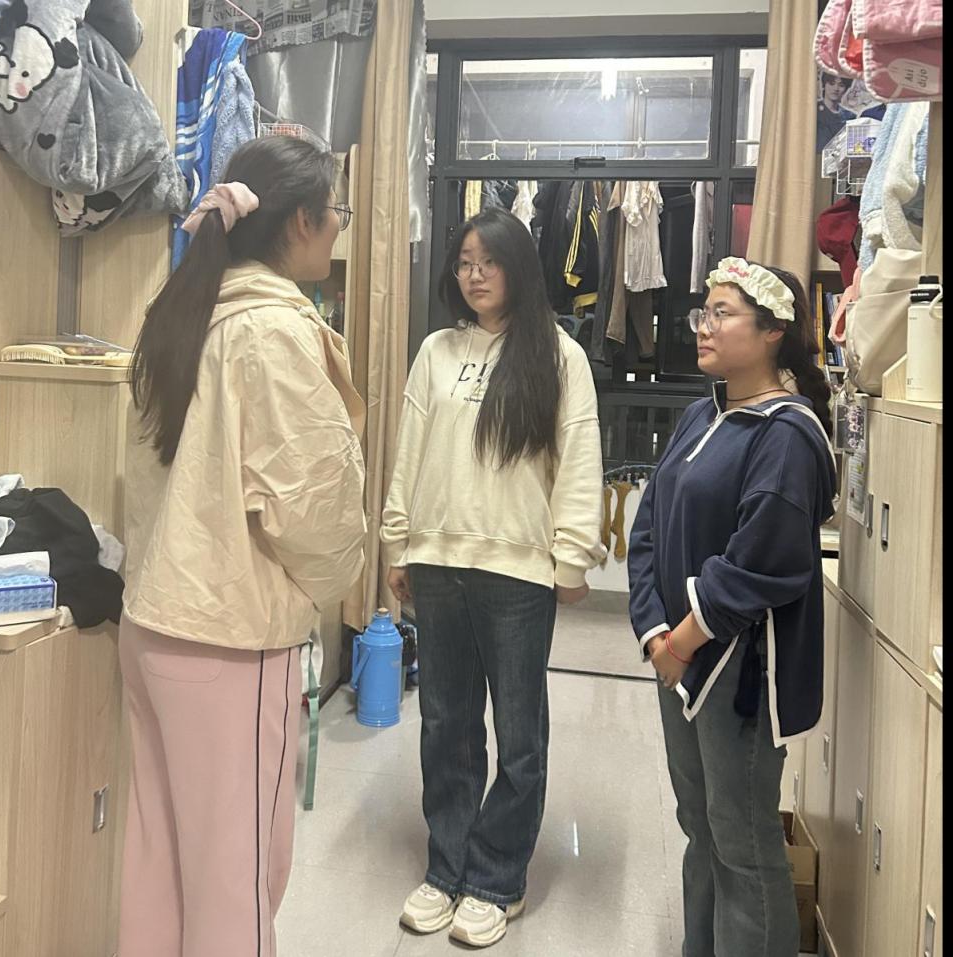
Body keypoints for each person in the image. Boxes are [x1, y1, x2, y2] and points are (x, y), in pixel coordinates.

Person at [118, 136, 367, 957]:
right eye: (335, 212)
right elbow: (315, 507)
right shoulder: (271, 331)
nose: (338, 227)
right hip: (228, 634)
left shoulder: (181, 314)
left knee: (157, 865)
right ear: (301, 222)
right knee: (235, 881)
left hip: (153, 620)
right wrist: (332, 579)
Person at [381, 206, 606, 949]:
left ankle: (496, 877)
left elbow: (579, 460)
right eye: (464, 263)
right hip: (438, 562)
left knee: (518, 734)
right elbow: (409, 452)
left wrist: (571, 556)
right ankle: (446, 867)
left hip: (517, 570)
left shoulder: (559, 356)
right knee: (445, 724)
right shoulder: (437, 350)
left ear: (518, 267)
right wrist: (397, 544)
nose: (474, 276)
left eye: (489, 262)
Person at [628, 257, 837, 957]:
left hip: (738, 670)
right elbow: (649, 525)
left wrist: (683, 642)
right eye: (704, 313)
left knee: (742, 841)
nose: (704, 326)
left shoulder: (788, 434)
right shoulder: (702, 414)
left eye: (722, 314)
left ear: (773, 331)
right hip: (676, 659)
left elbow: (763, 563)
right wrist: (655, 633)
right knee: (701, 827)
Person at [817, 71, 856, 152]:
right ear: (824, 85)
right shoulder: (813, 110)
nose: (836, 88)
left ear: (846, 89)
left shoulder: (850, 116)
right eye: (831, 83)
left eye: (841, 85)